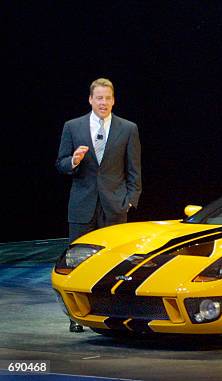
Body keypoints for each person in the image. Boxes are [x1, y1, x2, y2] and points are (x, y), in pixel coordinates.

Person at [56, 78, 142, 332]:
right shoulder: (73, 127)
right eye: (99, 98)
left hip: (115, 206)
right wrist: (73, 160)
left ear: (113, 100)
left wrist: (130, 201)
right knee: (79, 261)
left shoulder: (128, 128)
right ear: (90, 100)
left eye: (108, 98)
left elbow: (134, 170)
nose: (103, 103)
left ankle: (112, 314)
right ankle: (76, 316)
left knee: (113, 263)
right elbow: (60, 164)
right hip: (82, 206)